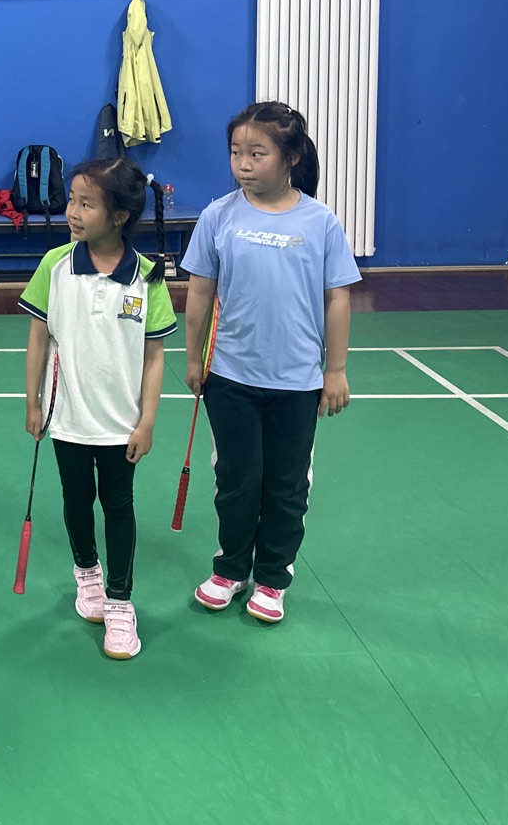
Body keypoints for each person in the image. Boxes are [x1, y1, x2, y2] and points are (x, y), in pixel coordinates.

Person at [181, 101, 360, 624]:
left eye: (257, 153)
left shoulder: (320, 222)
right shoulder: (218, 216)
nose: (243, 163)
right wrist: (193, 358)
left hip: (298, 382)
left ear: (291, 157)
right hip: (230, 377)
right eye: (236, 152)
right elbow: (199, 292)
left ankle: (273, 577)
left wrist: (335, 370)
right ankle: (231, 568)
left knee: (286, 485)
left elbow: (338, 298)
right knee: (236, 480)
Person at [20, 158, 175, 659]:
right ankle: (87, 572)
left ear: (120, 216)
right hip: (66, 417)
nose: (72, 211)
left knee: (119, 506)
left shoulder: (147, 277)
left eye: (86, 204)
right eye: (72, 200)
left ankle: (121, 601)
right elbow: (38, 338)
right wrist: (33, 401)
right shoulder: (55, 265)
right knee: (76, 499)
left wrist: (147, 421)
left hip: (121, 425)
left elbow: (154, 356)